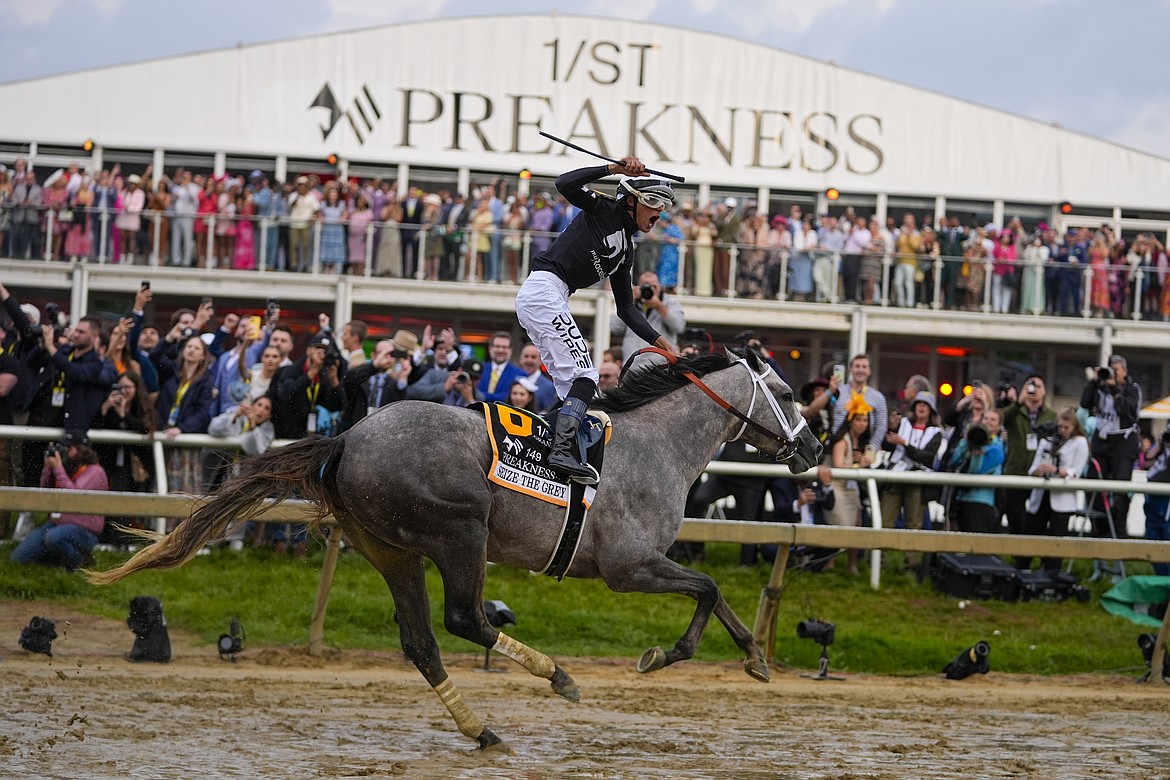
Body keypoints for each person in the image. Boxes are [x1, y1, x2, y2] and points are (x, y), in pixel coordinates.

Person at [516, 155, 679, 484]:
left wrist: (665, 346)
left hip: (550, 297)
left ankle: (541, 446)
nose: (659, 213)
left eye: (662, 206)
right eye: (653, 203)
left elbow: (627, 309)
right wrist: (614, 169)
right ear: (632, 201)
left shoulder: (627, 252)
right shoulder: (605, 209)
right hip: (545, 290)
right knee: (586, 376)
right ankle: (560, 453)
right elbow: (564, 184)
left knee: (572, 387)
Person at [10, 434, 108, 570]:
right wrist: (48, 469)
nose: (65, 452)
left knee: (54, 538)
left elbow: (72, 497)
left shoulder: (95, 472)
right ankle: (57, 560)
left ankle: (80, 561)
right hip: (56, 524)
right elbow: (44, 493)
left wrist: (58, 468)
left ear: (82, 450)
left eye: (70, 448)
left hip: (84, 531)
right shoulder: (67, 468)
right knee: (18, 558)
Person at [1016, 407, 1090, 571]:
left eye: (1066, 427)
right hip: (1041, 495)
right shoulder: (1046, 441)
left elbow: (1076, 471)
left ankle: (1051, 576)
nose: (1062, 431)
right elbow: (1032, 469)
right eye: (1060, 427)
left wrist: (1057, 471)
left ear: (1074, 427)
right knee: (1030, 534)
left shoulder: (1080, 442)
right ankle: (1021, 571)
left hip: (1062, 499)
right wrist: (1039, 471)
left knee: (1056, 541)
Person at [1079, 355, 1142, 538]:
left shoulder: (1132, 389)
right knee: (1093, 483)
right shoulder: (1100, 386)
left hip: (1123, 441)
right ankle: (1099, 528)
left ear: (1125, 371)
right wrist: (1093, 382)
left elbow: (1128, 414)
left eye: (1117, 371)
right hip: (1101, 439)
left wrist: (1115, 389)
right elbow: (1084, 403)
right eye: (1110, 370)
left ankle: (1119, 532)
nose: (1112, 374)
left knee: (1120, 489)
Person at [880, 391, 943, 566]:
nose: (921, 407)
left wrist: (905, 444)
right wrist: (891, 428)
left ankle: (911, 565)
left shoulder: (936, 432)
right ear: (914, 407)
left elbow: (927, 457)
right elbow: (886, 446)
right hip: (895, 477)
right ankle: (879, 563)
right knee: (885, 520)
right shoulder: (903, 424)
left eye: (925, 405)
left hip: (917, 482)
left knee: (914, 523)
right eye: (918, 404)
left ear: (931, 410)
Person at [1001, 375, 1056, 535]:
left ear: (1044, 391)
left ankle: (1030, 555)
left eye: (1038, 386)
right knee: (1015, 517)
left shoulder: (1051, 414)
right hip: (1015, 471)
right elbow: (1001, 419)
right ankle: (1017, 555)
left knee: (1036, 519)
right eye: (1030, 386)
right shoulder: (1015, 411)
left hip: (1038, 473)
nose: (1034, 390)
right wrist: (1018, 401)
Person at [825, 411, 875, 574]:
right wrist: (858, 466)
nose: (862, 423)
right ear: (850, 421)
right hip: (838, 487)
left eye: (865, 420)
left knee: (856, 525)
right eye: (858, 419)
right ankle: (829, 562)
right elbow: (838, 466)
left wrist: (862, 462)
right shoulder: (842, 440)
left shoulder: (861, 442)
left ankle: (852, 565)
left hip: (852, 489)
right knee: (838, 526)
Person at [945, 408, 1005, 534]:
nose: (988, 421)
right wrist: (966, 441)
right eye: (986, 418)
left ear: (999, 426)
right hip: (961, 499)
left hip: (981, 502)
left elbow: (977, 471)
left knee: (977, 546)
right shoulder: (970, 440)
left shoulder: (997, 448)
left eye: (993, 419)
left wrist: (977, 454)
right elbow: (954, 461)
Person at [609, 271, 686, 367]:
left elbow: (679, 327)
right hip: (632, 368)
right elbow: (615, 328)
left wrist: (659, 306)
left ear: (660, 287)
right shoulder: (631, 305)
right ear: (638, 288)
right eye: (645, 287)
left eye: (653, 287)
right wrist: (628, 301)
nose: (649, 290)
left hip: (660, 368)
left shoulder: (670, 303)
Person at [830, 353, 889, 443]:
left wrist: (870, 450)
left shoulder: (878, 397)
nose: (860, 370)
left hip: (864, 449)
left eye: (864, 367)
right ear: (851, 369)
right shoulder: (838, 392)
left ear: (869, 371)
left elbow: (881, 427)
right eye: (857, 366)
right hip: (838, 446)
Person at [1141, 429, 1170, 576]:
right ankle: (1162, 584)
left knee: (1165, 538)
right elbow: (1146, 460)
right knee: (1152, 539)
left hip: (1165, 500)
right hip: (1153, 495)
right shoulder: (1164, 447)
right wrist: (1161, 442)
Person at [477, 331, 525, 405]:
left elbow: (509, 397)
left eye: (504, 347)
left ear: (510, 350)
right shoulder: (480, 369)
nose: (500, 350)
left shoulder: (520, 374)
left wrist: (482, 396)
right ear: (490, 348)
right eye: (497, 346)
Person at [517, 342, 557, 413]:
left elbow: (549, 412)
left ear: (541, 360)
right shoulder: (514, 380)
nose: (529, 360)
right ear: (520, 359)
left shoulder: (549, 386)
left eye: (533, 357)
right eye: (526, 356)